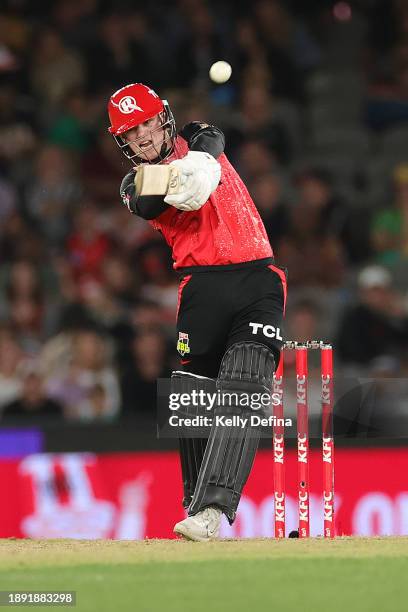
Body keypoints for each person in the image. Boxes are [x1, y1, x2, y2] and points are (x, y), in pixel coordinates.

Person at [107, 83, 287, 541]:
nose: (143, 136)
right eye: (131, 132)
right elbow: (153, 199)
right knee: (194, 402)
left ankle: (211, 510)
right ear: (123, 143)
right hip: (200, 288)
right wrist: (180, 178)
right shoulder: (132, 186)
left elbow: (212, 141)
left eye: (147, 123)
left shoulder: (197, 135)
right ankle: (194, 508)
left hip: (257, 279)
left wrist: (197, 165)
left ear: (163, 118)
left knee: (245, 388)